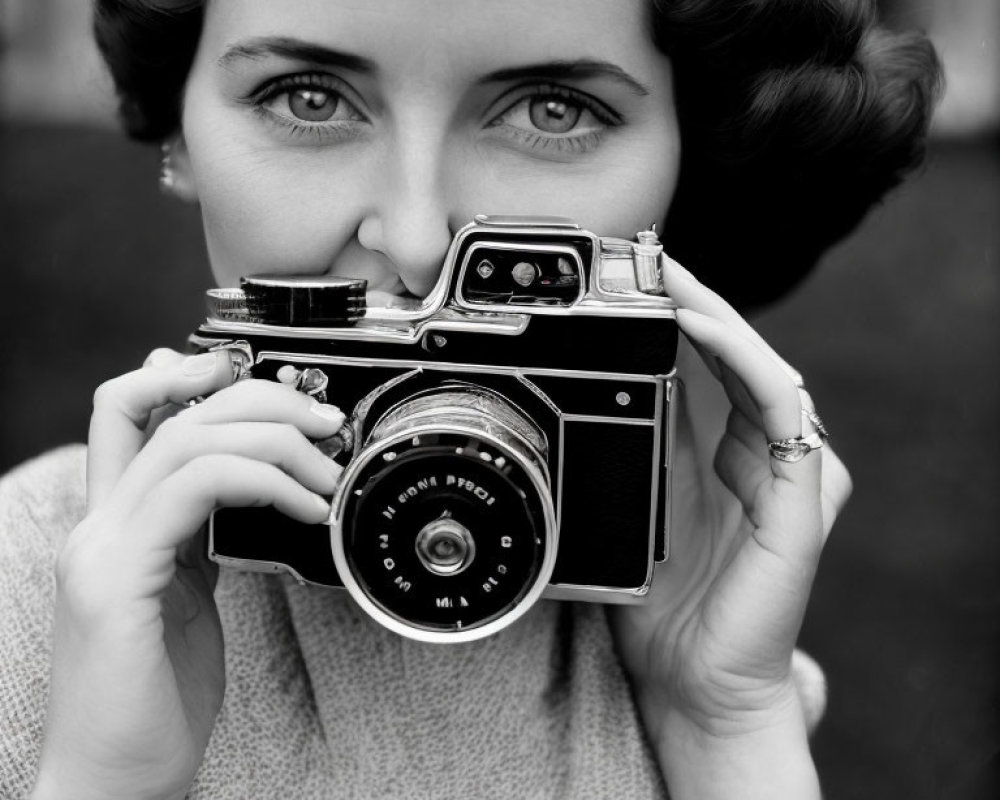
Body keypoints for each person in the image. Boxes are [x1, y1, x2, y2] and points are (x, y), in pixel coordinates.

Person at [0, 1, 940, 798]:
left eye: (552, 108)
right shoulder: (25, 576)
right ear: (177, 134)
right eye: (309, 97)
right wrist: (103, 779)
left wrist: (725, 723)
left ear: (688, 160)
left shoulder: (706, 609)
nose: (414, 241)